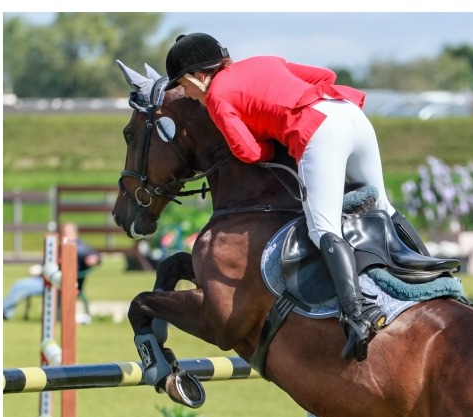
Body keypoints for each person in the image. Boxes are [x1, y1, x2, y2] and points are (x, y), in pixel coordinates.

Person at [163, 33, 438, 362]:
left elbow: (248, 151)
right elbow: (326, 77)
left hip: (317, 130)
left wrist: (270, 134)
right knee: (382, 206)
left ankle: (358, 314)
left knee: (323, 228)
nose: (190, 95)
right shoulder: (262, 61)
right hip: (349, 113)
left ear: (199, 75)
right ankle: (437, 282)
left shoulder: (218, 98)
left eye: (185, 85)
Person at [3, 222, 102, 322]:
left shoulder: (79, 247)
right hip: (47, 278)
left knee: (20, 285)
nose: (64, 234)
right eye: (62, 232)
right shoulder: (61, 245)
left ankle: (3, 311)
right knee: (19, 285)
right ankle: (6, 312)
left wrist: (95, 259)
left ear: (74, 233)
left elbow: (95, 255)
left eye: (66, 232)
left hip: (56, 283)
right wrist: (40, 270)